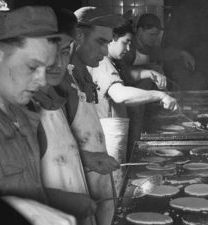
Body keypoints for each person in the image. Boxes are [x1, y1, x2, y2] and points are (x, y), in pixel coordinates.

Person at [0, 6, 77, 225]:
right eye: (32, 67)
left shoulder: (24, 116)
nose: (41, 81)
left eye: (46, 68)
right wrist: (13, 208)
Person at [86, 14, 178, 195]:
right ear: (111, 40)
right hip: (109, 131)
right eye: (125, 43)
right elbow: (119, 94)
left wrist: (148, 73)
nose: (129, 49)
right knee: (112, 189)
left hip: (118, 127)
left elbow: (128, 75)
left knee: (116, 184)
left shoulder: (114, 62)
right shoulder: (102, 62)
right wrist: (159, 95)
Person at [24, 8, 97, 224]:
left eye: (65, 52)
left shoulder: (57, 101)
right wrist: (66, 201)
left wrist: (89, 159)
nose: (57, 63)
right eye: (49, 52)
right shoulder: (24, 110)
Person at [55, 6, 120, 225]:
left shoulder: (83, 75)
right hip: (72, 199)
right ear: (79, 36)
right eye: (101, 42)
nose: (104, 52)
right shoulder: (58, 82)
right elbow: (47, 151)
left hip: (98, 193)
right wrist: (88, 158)